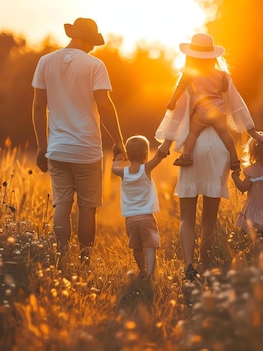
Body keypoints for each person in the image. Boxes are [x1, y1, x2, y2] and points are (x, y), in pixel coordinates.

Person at [156, 33, 261, 280]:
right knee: (209, 218)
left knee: (186, 216)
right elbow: (237, 106)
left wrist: (166, 144)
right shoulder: (223, 78)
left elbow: (176, 112)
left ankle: (189, 266)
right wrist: (252, 130)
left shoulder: (189, 77)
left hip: (196, 146)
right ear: (212, 55)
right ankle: (205, 264)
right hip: (219, 150)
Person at [31, 17, 125, 266]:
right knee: (87, 208)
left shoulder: (45, 62)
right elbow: (105, 106)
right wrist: (119, 141)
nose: (94, 47)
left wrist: (42, 145)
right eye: (93, 42)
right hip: (87, 151)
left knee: (61, 203)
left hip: (57, 149)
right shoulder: (95, 65)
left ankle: (61, 259)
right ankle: (84, 262)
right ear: (88, 40)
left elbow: (39, 106)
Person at [165, 33, 261, 170]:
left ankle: (187, 156)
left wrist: (172, 101)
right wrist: (251, 130)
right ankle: (234, 158)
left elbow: (180, 88)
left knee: (193, 133)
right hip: (218, 113)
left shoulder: (190, 73)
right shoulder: (222, 75)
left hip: (201, 114)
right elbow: (230, 95)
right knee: (224, 134)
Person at [111, 135, 166, 280]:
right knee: (150, 247)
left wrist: (118, 157)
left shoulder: (124, 172)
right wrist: (165, 144)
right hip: (147, 217)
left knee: (136, 247)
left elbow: (114, 168)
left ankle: (142, 270)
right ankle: (150, 274)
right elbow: (158, 157)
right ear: (146, 155)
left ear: (128, 155)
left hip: (130, 218)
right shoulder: (146, 169)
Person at [231, 133, 263, 235]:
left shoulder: (251, 170)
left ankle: (252, 248)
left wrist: (235, 177)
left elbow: (243, 187)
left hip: (253, 209)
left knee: (251, 234)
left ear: (252, 151)